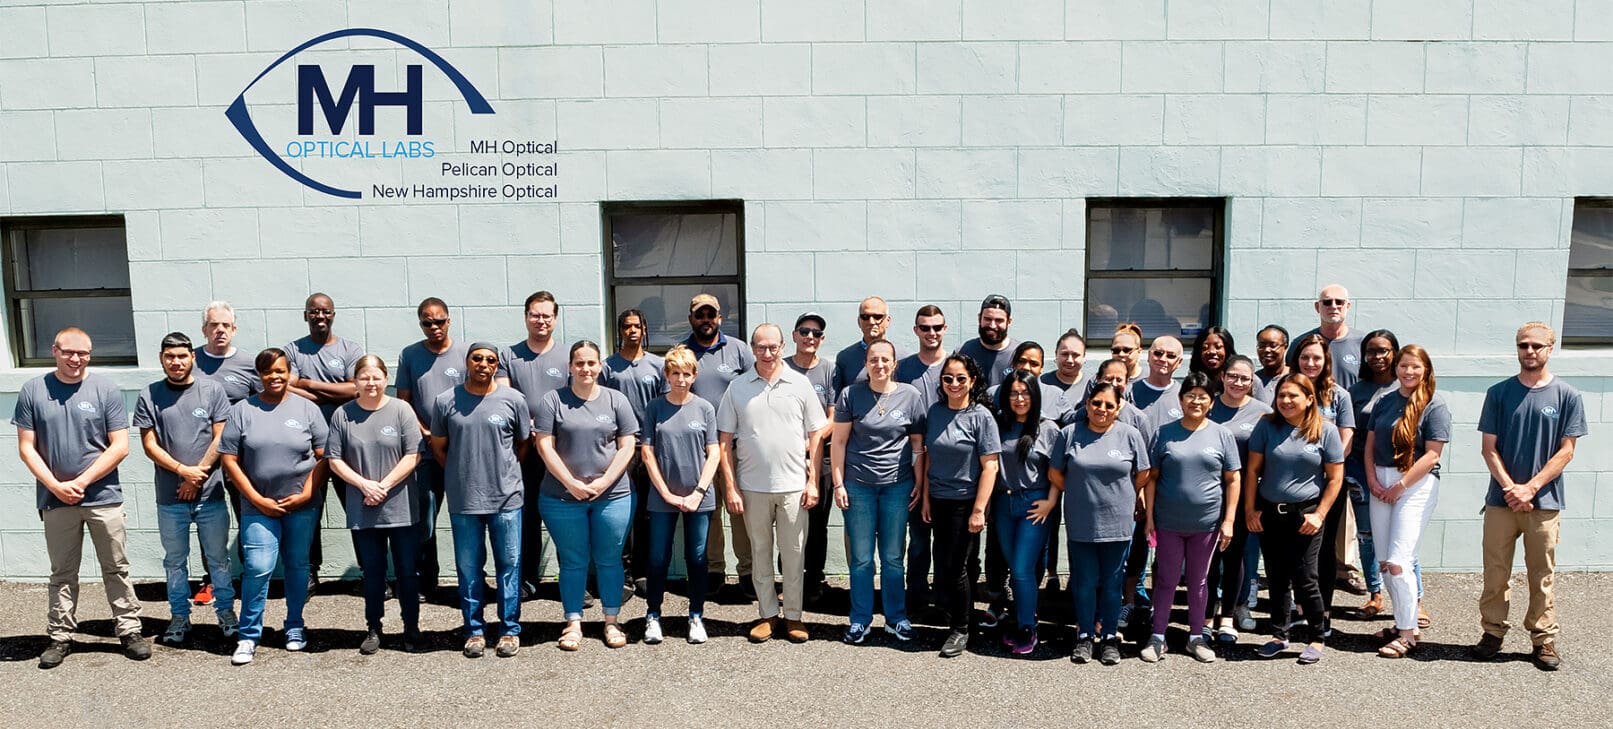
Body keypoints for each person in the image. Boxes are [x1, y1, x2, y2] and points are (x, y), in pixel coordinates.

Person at [17, 327, 147, 669]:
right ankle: (60, 637)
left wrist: (82, 480)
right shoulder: (33, 391)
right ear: (54, 350)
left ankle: (129, 630)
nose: (76, 359)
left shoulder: (105, 389)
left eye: (83, 353)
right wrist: (57, 486)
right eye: (69, 352)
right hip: (55, 499)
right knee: (62, 572)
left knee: (116, 567)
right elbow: (26, 448)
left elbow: (120, 445)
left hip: (103, 496)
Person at [1473, 322, 1587, 670]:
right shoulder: (1499, 393)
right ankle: (1492, 632)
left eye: (1537, 345)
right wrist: (1511, 489)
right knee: (1495, 572)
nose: (1530, 351)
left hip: (1545, 503)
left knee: (1542, 574)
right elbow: (1488, 449)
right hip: (1501, 501)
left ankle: (1543, 640)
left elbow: (1567, 450)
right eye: (1523, 345)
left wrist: (1531, 488)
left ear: (1550, 349)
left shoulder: (1567, 396)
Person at [719, 324, 829, 644]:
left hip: (794, 486)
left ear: (783, 346)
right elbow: (724, 440)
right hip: (752, 486)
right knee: (760, 553)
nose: (767, 354)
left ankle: (793, 616)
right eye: (760, 347)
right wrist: (730, 486)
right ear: (752, 348)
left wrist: (812, 482)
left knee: (794, 554)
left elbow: (817, 433)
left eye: (773, 347)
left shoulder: (800, 384)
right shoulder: (737, 387)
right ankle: (767, 614)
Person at [219, 347, 329, 665]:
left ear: (289, 372)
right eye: (268, 372)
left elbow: (325, 456)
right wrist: (254, 497)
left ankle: (294, 625)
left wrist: (307, 492)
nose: (275, 377)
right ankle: (248, 634)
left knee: (297, 566)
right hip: (257, 505)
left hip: (301, 504)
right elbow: (229, 458)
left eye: (281, 370)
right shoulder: (243, 410)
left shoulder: (307, 409)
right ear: (259, 375)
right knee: (258, 568)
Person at [535, 340, 641, 650]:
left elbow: (628, 444)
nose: (585, 369)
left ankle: (611, 621)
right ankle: (573, 623)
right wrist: (570, 482)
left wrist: (606, 481)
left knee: (609, 560)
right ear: (570, 366)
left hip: (614, 496)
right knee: (572, 561)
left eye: (591, 363)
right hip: (562, 497)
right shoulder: (553, 400)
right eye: (579, 363)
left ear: (600, 366)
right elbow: (544, 445)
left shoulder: (615, 400)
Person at [135, 333, 235, 647]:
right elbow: (149, 444)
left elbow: (221, 437)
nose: (176, 362)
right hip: (170, 497)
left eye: (181, 356)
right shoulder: (150, 394)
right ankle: (179, 617)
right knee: (174, 561)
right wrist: (183, 472)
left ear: (192, 356)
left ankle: (226, 614)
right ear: (162, 358)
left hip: (210, 495)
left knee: (218, 560)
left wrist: (197, 477)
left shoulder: (212, 390)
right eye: (169, 357)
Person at [431, 343, 531, 659]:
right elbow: (439, 447)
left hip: (506, 499)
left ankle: (509, 630)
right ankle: (474, 631)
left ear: (496, 365)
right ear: (467, 362)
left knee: (509, 566)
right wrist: (464, 473)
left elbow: (523, 445)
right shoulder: (446, 401)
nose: (483, 364)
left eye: (490, 359)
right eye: (478, 358)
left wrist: (502, 471)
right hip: (464, 501)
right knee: (469, 568)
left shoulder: (514, 400)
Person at [1139, 372, 1240, 664]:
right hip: (1168, 522)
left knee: (1199, 581)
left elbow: (1233, 479)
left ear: (1211, 401)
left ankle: (1196, 636)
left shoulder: (1222, 434)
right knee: (1167, 579)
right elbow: (1152, 478)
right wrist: (1148, 516)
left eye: (1203, 396)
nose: (1196, 401)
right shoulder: (1163, 432)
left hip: (1206, 524)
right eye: (1190, 395)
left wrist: (1229, 520)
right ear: (1181, 399)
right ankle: (1158, 636)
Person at [326, 355, 425, 654]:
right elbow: (334, 459)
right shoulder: (343, 415)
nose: (371, 383)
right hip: (363, 505)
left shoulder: (401, 410)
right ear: (355, 381)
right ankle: (373, 627)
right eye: (364, 377)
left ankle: (411, 628)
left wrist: (383, 485)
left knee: (408, 571)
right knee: (372, 571)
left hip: (400, 506)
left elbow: (413, 454)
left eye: (376, 377)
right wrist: (364, 485)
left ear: (385, 379)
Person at [1245, 374, 1344, 665]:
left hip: (1307, 515)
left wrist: (1320, 514)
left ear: (1309, 399)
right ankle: (1279, 635)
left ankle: (1316, 636)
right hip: (1270, 513)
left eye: (1293, 396)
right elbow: (1252, 471)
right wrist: (1250, 510)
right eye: (1282, 396)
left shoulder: (1326, 431)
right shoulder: (1267, 425)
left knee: (1306, 577)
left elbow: (1335, 479)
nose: (1286, 401)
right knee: (1276, 577)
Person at [831, 339, 924, 644]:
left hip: (898, 487)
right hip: (859, 487)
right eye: (873, 359)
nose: (880, 364)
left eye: (885, 359)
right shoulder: (851, 395)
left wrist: (919, 484)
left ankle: (896, 618)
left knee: (893, 557)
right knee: (860, 559)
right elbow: (840, 443)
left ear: (894, 363)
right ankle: (860, 620)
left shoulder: (910, 396)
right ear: (866, 363)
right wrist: (838, 483)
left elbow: (917, 446)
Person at [1052, 382, 1150, 666]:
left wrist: (1123, 496)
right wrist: (1077, 491)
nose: (1102, 410)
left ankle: (1108, 637)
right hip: (1081, 520)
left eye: (1109, 405)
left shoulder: (1130, 435)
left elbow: (1142, 472)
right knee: (1084, 582)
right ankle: (1084, 635)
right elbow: (1055, 473)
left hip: (1118, 522)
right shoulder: (1069, 434)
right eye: (1096, 403)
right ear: (1087, 404)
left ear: (1118, 407)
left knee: (1112, 583)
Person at [1365, 345, 1449, 659]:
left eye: (1415, 367)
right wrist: (1373, 480)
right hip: (1381, 484)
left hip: (1415, 484)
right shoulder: (1385, 401)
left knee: (1400, 561)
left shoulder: (1435, 405)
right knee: (1385, 562)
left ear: (1425, 370)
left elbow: (1432, 455)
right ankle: (1405, 623)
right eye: (1403, 366)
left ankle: (1406, 636)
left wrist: (1399, 485)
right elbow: (1370, 445)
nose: (1408, 372)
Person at [639, 345, 721, 645]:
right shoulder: (655, 408)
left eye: (687, 374)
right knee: (658, 558)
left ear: (694, 375)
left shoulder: (705, 408)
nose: (681, 380)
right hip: (663, 497)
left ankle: (696, 615)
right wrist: (666, 493)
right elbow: (647, 453)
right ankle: (653, 616)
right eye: (675, 373)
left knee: (697, 558)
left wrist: (699, 492)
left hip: (700, 496)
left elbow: (714, 453)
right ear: (667, 374)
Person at [922, 355, 1001, 658]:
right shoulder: (935, 412)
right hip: (938, 500)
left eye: (960, 378)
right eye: (948, 378)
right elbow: (929, 457)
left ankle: (961, 629)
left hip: (966, 502)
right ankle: (960, 616)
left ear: (972, 381)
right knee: (948, 565)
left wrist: (979, 510)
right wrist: (927, 498)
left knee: (956, 567)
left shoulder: (980, 416)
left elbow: (990, 466)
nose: (954, 384)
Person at [283, 293, 361, 588]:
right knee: (308, 511)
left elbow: (355, 390)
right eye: (314, 311)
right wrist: (331, 391)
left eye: (325, 311)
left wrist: (308, 384)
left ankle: (368, 571)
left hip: (346, 443)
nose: (320, 316)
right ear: (306, 315)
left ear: (333, 314)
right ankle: (309, 572)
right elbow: (287, 389)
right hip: (305, 445)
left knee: (355, 509)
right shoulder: (293, 350)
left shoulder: (349, 349)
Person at [395, 297, 469, 602]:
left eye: (439, 321)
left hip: (462, 452)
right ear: (420, 323)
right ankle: (427, 582)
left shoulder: (466, 354)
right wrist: (426, 433)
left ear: (449, 321)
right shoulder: (410, 355)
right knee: (423, 520)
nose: (434, 327)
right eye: (427, 322)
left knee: (467, 517)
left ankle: (471, 580)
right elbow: (403, 401)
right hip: (425, 452)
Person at [497, 291, 569, 599]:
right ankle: (526, 579)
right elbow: (504, 398)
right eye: (535, 315)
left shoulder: (568, 356)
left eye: (547, 315)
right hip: (522, 449)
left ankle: (572, 581)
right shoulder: (508, 356)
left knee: (567, 517)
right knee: (525, 515)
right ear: (526, 316)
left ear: (555, 318)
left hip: (562, 450)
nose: (541, 320)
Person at [683, 293, 756, 597]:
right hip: (700, 449)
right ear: (691, 319)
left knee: (739, 509)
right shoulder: (683, 352)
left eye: (711, 315)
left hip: (737, 446)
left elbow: (757, 388)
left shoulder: (739, 349)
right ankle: (715, 570)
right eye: (700, 315)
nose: (706, 321)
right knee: (710, 511)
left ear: (720, 319)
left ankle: (748, 571)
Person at [191, 301, 262, 606]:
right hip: (201, 456)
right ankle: (212, 580)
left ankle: (251, 577)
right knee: (207, 519)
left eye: (225, 325)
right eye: (213, 325)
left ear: (234, 329)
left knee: (247, 516)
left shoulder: (248, 363)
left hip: (240, 456)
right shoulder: (190, 360)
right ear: (204, 329)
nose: (219, 330)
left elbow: (262, 405)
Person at [1287, 333, 1357, 632]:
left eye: (1317, 358)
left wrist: (1327, 467)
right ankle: (1301, 609)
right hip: (1293, 484)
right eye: (1305, 358)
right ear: (1296, 360)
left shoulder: (1338, 395)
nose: (1311, 363)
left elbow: (1347, 436)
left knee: (1325, 549)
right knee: (1295, 548)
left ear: (1326, 361)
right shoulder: (1287, 390)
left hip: (1328, 484)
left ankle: (1323, 611)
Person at [989, 370, 1060, 654]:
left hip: (1035, 503)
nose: (1020, 399)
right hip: (1003, 503)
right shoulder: (998, 425)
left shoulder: (1048, 429)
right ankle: (1022, 616)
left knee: (1020, 568)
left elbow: (1057, 472)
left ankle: (1027, 628)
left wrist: (1051, 501)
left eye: (1025, 393)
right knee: (1015, 566)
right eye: (1014, 393)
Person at [1203, 355, 1273, 640]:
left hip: (1245, 495)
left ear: (1252, 381)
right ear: (1222, 376)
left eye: (1245, 378)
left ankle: (1228, 616)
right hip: (1207, 493)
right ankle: (1206, 616)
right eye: (1233, 376)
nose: (1238, 382)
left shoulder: (1263, 412)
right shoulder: (1208, 407)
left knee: (1235, 557)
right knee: (1207, 559)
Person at [599, 308, 666, 597]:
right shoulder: (608, 367)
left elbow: (665, 406)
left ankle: (643, 572)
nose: (632, 331)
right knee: (622, 513)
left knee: (647, 514)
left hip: (649, 447)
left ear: (645, 329)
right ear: (620, 331)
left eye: (637, 326)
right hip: (619, 450)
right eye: (626, 327)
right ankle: (623, 573)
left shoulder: (658, 366)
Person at [1346, 329, 1403, 619]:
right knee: (1367, 535)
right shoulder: (1356, 391)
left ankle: (1412, 600)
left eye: (1383, 350)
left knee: (1402, 536)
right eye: (1371, 351)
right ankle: (1375, 594)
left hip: (1399, 474)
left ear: (1394, 352)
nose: (1377, 357)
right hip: (1360, 471)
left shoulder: (1406, 387)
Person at [895, 304, 947, 615]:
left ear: (945, 329)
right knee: (917, 540)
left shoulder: (954, 367)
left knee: (944, 542)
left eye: (937, 327)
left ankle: (943, 599)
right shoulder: (903, 368)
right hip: (911, 464)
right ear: (916, 330)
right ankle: (914, 599)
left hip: (947, 467)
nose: (931, 333)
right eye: (925, 328)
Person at [786, 311, 837, 603]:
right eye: (804, 331)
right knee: (790, 519)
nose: (809, 337)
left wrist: (812, 441)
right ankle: (790, 578)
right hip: (788, 458)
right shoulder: (781, 368)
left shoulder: (829, 370)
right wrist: (797, 445)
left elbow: (833, 415)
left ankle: (814, 578)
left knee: (817, 522)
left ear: (822, 339)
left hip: (822, 456)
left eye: (816, 333)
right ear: (794, 335)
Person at [1287, 285, 1367, 390]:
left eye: (1339, 302)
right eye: (1327, 302)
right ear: (1317, 307)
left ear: (1347, 306)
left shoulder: (1364, 343)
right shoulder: (1300, 344)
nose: (1333, 306)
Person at [832, 296, 905, 394]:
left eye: (877, 317)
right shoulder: (845, 358)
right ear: (859, 321)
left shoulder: (904, 357)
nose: (871, 322)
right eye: (865, 317)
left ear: (888, 321)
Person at [958, 294, 1016, 389]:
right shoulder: (963, 352)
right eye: (988, 319)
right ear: (979, 318)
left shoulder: (1019, 354)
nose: (992, 325)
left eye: (999, 320)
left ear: (1009, 322)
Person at [1042, 328, 1090, 406]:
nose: (1069, 360)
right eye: (1065, 354)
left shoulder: (1091, 386)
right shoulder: (1043, 383)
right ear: (1056, 354)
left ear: (1084, 357)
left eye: (1075, 355)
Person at [1254, 325, 1291, 401]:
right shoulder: (1253, 380)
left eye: (1273, 345)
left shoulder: (1296, 377)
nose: (1267, 350)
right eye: (1262, 346)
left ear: (1285, 347)